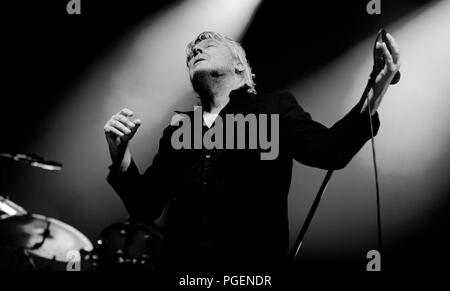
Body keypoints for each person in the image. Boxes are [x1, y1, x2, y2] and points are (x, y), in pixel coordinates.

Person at [104, 31, 400, 272]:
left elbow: (330, 151)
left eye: (207, 45)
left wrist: (377, 88)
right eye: (190, 53)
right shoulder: (181, 129)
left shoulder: (274, 109)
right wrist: (121, 155)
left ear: (239, 65)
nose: (195, 52)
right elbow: (145, 206)